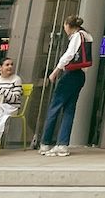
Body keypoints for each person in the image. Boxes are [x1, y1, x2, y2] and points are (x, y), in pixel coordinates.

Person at [39, 15, 93, 157]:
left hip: (70, 74)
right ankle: (62, 144)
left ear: (69, 26)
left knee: (54, 107)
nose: (65, 29)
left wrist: (55, 71)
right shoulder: (87, 36)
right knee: (69, 110)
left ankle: (45, 143)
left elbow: (68, 55)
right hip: (80, 75)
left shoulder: (76, 36)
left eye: (65, 27)